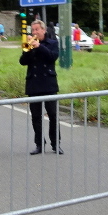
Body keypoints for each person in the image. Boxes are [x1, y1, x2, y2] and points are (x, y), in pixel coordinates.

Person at [20, 20, 63, 155]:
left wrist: (39, 46)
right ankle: (39, 144)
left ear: (43, 30)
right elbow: (22, 62)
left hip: (48, 83)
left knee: (53, 115)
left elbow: (52, 57)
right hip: (33, 83)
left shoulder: (53, 43)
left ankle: (56, 144)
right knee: (36, 116)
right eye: (32, 30)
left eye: (37, 29)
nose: (34, 32)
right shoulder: (29, 44)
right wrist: (29, 49)